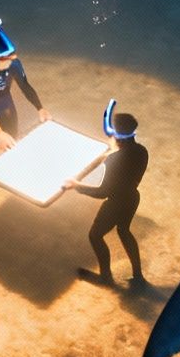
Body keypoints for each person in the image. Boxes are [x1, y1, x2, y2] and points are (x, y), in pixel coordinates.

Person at [64, 100, 149, 288]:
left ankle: (105, 277)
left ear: (118, 136)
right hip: (132, 198)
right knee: (124, 231)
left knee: (95, 235)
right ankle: (138, 276)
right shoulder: (142, 151)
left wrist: (77, 185)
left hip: (116, 203)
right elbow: (123, 155)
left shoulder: (114, 160)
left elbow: (103, 192)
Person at [0, 18, 50, 164]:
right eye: (7, 59)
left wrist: (40, 108)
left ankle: (9, 164)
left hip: (7, 104)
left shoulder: (14, 64)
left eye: (12, 58)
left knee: (12, 137)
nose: (11, 62)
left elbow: (25, 86)